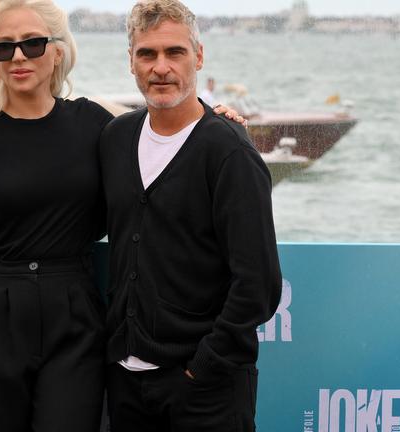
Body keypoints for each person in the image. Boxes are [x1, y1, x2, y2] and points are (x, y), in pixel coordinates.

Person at [0, 1, 245, 431]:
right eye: (3, 47)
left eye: (32, 44)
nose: (18, 57)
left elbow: (166, 133)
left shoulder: (95, 124)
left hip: (76, 312)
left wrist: (220, 122)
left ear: (57, 51)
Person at [99, 1, 282, 431]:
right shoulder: (115, 138)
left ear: (198, 56)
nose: (160, 67)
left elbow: (259, 284)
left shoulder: (229, 152)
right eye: (146, 54)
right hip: (125, 385)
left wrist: (203, 367)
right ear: (130, 62)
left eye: (174, 52)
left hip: (205, 390)